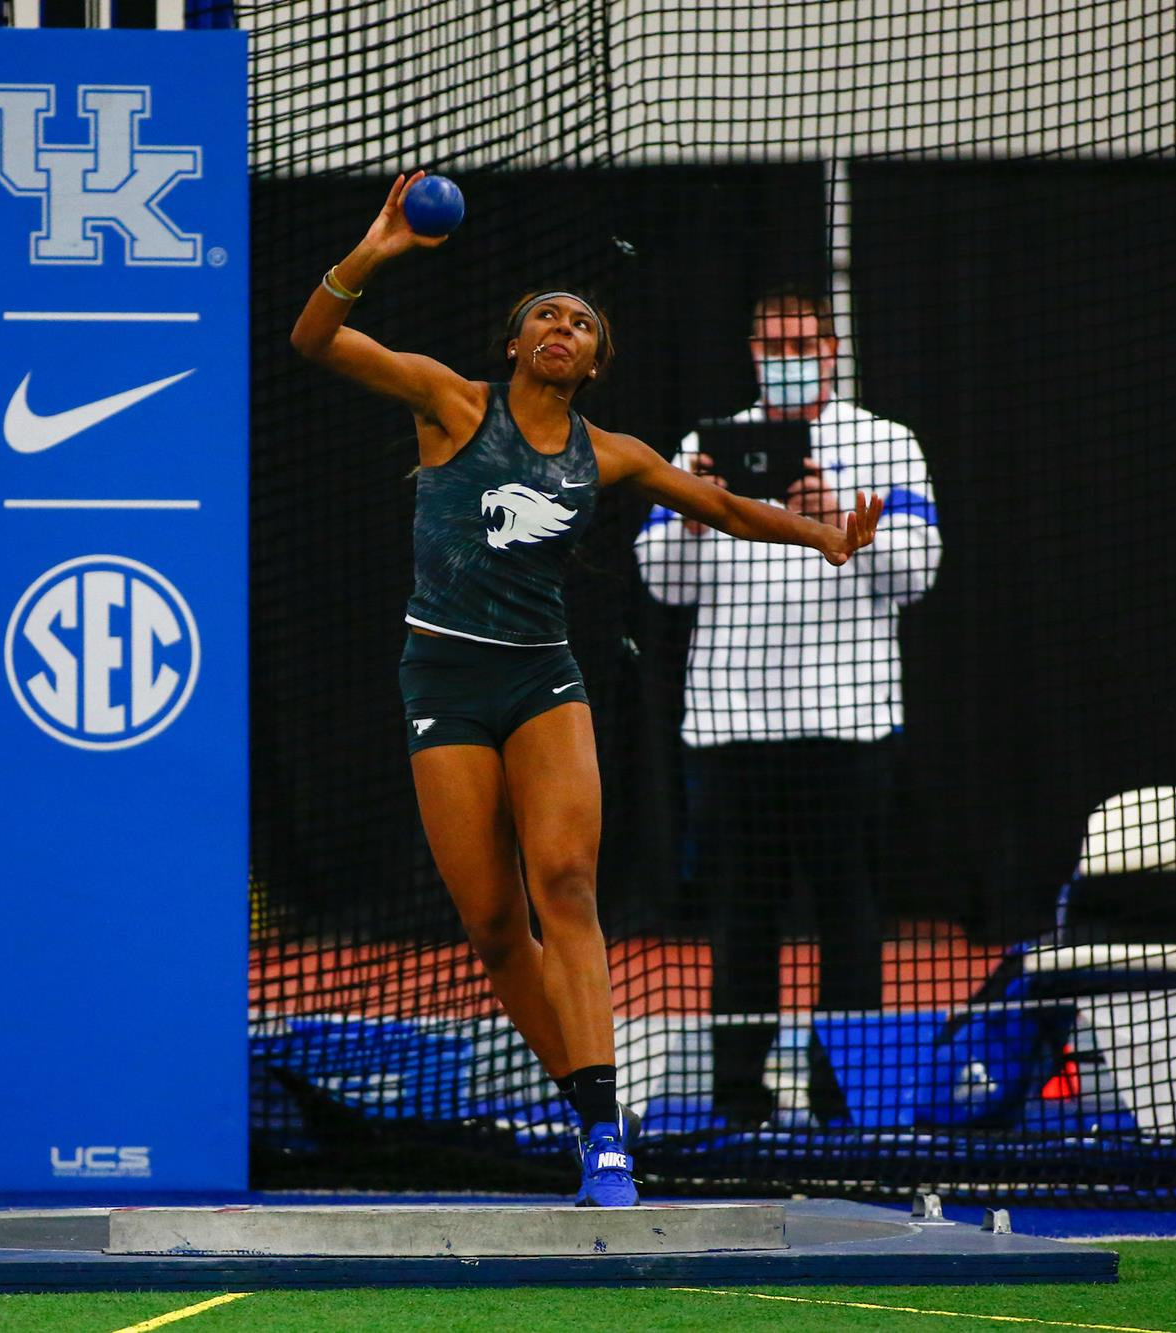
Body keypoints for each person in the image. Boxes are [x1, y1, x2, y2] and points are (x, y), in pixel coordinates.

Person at [291, 177, 884, 1204]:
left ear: (596, 361)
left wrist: (828, 537)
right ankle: (579, 1094)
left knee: (563, 883)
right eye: (544, 319)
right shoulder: (449, 403)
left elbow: (724, 506)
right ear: (514, 346)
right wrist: (374, 250)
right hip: (440, 672)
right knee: (487, 924)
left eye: (581, 323)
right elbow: (314, 343)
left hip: (540, 677)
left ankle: (604, 1132)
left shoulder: (609, 454)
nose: (562, 328)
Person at [633, 287, 942, 1129]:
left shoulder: (884, 443)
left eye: (804, 341)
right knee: (741, 929)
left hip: (849, 727)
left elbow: (919, 573)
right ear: (752, 349)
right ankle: (739, 1103)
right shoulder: (706, 445)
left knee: (851, 922)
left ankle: (846, 1104)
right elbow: (659, 580)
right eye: (774, 342)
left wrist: (829, 514)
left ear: (833, 349)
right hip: (732, 729)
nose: (789, 355)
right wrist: (698, 517)